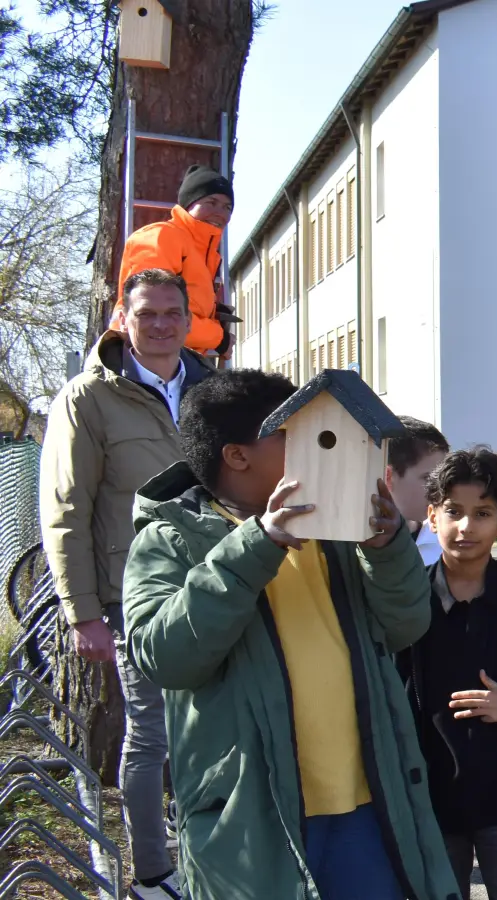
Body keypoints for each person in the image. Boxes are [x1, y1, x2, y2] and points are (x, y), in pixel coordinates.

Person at [119, 369, 457, 900]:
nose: (311, 449)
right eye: (287, 435)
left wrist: (387, 548)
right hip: (252, 818)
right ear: (237, 456)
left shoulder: (340, 528)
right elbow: (166, 656)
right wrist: (258, 543)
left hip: (368, 803)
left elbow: (406, 625)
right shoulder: (170, 538)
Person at [39, 268, 212, 900]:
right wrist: (81, 610)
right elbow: (65, 509)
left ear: (188, 318)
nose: (162, 326)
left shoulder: (210, 388)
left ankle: (205, 856)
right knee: (153, 731)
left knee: (216, 727)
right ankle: (153, 874)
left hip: (216, 586)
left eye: (173, 313)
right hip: (131, 592)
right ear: (123, 317)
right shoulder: (89, 398)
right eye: (147, 314)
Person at [402, 447, 497, 899]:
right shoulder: (407, 600)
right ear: (432, 517)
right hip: (431, 799)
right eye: (454, 512)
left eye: (482, 513)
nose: (466, 527)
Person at [114, 166, 238, 356]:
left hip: (170, 360)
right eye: (211, 202)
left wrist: (213, 315)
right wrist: (218, 338)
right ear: (189, 203)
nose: (220, 213)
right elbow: (153, 313)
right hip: (138, 361)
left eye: (227, 207)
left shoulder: (205, 254)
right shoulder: (161, 237)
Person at [386, 415, 450, 565]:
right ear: (388, 477)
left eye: (442, 479)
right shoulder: (356, 546)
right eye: (428, 478)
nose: (441, 491)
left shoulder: (445, 544)